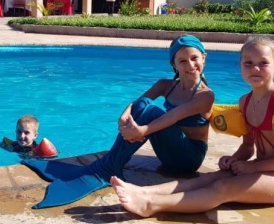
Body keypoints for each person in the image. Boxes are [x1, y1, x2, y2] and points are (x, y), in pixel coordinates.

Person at [111, 35, 274, 217]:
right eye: (248, 63)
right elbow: (248, 147)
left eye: (263, 63)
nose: (255, 69)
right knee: (208, 179)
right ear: (240, 66)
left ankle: (151, 205)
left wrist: (253, 166)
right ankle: (143, 192)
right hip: (261, 169)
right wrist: (234, 160)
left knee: (224, 186)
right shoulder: (245, 102)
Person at [22, 34, 214, 208]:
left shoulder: (205, 95)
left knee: (153, 112)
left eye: (194, 58)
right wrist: (124, 115)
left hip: (188, 159)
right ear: (174, 64)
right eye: (183, 61)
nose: (190, 65)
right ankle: (110, 164)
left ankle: (109, 166)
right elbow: (138, 102)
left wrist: (142, 131)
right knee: (143, 104)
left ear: (204, 58)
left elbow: (172, 117)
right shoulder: (166, 85)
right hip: (167, 155)